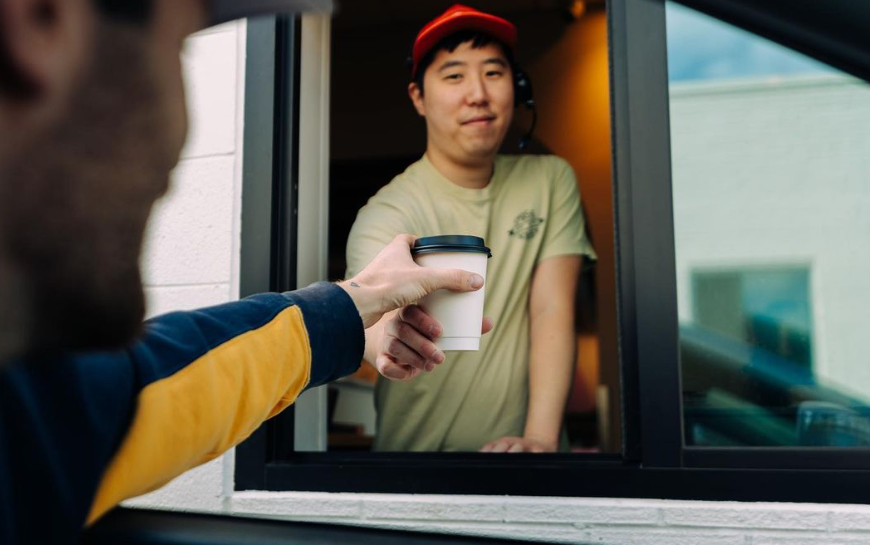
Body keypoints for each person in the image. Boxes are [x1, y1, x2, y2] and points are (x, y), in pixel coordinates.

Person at [0, 0, 489, 542]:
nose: (180, 132)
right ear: (41, 19)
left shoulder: (26, 414)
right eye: (178, 49)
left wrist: (351, 309)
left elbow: (151, 389)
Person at [346, 4, 597, 453]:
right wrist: (384, 343)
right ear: (418, 98)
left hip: (529, 467)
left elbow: (551, 311)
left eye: (494, 73)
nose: (478, 94)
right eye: (454, 75)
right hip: (419, 471)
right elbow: (371, 319)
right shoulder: (388, 213)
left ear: (515, 89)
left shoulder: (550, 181)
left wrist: (539, 441)